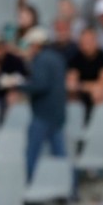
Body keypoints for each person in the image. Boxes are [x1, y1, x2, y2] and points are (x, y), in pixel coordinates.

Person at [18, 27, 68, 183]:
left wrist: (19, 85)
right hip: (57, 113)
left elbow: (40, 85)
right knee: (60, 154)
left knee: (32, 153)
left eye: (30, 45)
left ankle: (30, 185)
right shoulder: (57, 57)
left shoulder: (41, 59)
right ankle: (68, 188)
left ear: (36, 44)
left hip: (43, 115)